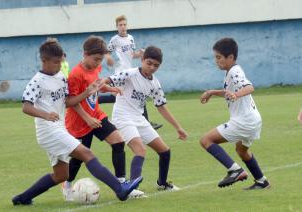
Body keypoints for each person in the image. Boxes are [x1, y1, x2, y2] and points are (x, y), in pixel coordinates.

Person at [12, 38, 142, 206]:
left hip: (59, 128)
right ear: (44, 60)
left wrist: (88, 92)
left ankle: (22, 198)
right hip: (48, 130)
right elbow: (26, 107)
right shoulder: (37, 81)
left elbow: (69, 102)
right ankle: (120, 189)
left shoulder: (60, 76)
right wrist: (45, 115)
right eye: (56, 62)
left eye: (61, 62)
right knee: (87, 154)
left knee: (61, 175)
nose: (59, 66)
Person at [62, 35, 144, 200]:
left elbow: (97, 84)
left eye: (100, 60)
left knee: (118, 142)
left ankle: (122, 183)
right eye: (96, 59)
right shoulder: (76, 74)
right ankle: (67, 184)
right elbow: (71, 102)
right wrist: (87, 119)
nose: (98, 63)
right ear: (85, 54)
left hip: (96, 115)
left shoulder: (96, 68)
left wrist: (110, 89)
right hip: (79, 122)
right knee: (78, 159)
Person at [102, 46, 188, 190]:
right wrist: (111, 89)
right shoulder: (129, 74)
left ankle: (162, 183)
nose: (152, 67)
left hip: (139, 118)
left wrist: (178, 127)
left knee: (165, 151)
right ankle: (132, 189)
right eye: (149, 63)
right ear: (142, 60)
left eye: (156, 65)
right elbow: (105, 81)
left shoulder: (155, 83)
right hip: (123, 116)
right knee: (140, 150)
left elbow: (161, 106)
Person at [199, 37, 270, 190]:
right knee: (241, 150)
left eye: (219, 57)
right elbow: (229, 92)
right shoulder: (231, 71)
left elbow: (250, 87)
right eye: (215, 57)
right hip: (253, 119)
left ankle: (235, 170)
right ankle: (262, 181)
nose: (216, 61)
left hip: (243, 121)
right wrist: (212, 92)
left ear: (230, 57)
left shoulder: (234, 72)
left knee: (206, 140)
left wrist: (236, 95)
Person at [102, 14, 162, 130]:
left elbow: (132, 55)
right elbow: (106, 51)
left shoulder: (131, 38)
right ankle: (146, 122)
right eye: (120, 25)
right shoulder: (115, 39)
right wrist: (108, 57)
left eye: (124, 24)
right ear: (117, 27)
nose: (123, 27)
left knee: (123, 95)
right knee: (131, 94)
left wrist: (139, 54)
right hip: (121, 72)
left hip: (130, 71)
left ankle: (96, 100)